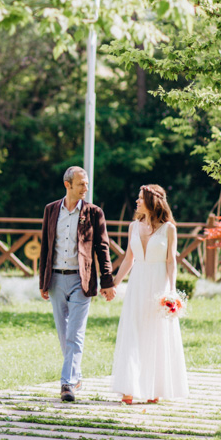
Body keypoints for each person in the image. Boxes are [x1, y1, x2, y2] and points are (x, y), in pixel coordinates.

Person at [39, 166, 116, 402]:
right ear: (68, 184)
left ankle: (67, 383)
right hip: (55, 279)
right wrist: (43, 281)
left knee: (75, 333)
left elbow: (102, 248)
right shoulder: (51, 210)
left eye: (87, 183)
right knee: (64, 334)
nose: (86, 188)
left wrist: (107, 281)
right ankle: (77, 375)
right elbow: (45, 246)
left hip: (81, 280)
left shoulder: (94, 212)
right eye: (81, 184)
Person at [111, 184, 189, 404]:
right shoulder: (133, 227)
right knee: (133, 331)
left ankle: (155, 388)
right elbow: (129, 259)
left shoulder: (168, 229)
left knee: (157, 334)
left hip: (158, 284)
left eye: (140, 198)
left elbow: (171, 261)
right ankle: (128, 389)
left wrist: (171, 291)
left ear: (152, 201)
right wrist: (114, 283)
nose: (137, 201)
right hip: (137, 284)